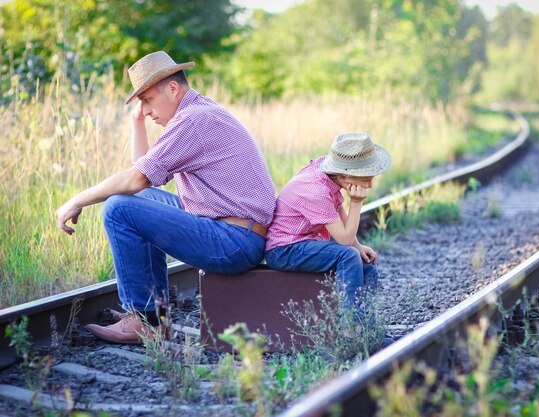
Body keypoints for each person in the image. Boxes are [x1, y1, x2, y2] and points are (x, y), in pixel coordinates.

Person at [56, 51, 276, 344]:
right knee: (137, 200)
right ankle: (150, 314)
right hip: (233, 231)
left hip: (233, 241)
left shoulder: (193, 121)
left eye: (147, 100)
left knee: (118, 208)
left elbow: (135, 179)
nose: (145, 110)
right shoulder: (198, 112)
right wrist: (137, 123)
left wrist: (77, 199)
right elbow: (143, 172)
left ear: (173, 89)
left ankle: (146, 321)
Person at [264, 132, 391, 318]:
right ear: (344, 177)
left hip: (303, 243)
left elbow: (341, 221)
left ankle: (368, 329)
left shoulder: (328, 178)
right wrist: (356, 202)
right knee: (348, 256)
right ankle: (352, 327)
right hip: (284, 249)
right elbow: (344, 239)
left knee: (366, 266)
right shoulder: (316, 191)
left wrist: (359, 246)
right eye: (366, 179)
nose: (370, 185)